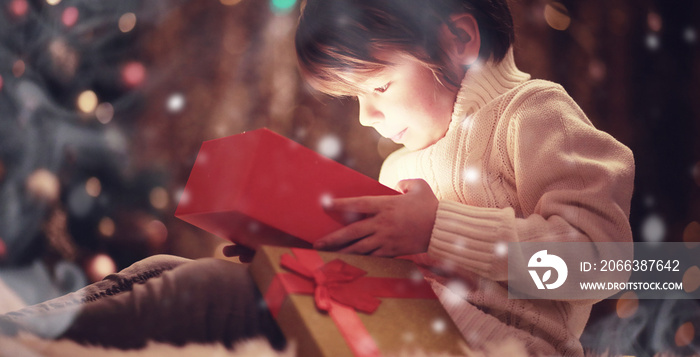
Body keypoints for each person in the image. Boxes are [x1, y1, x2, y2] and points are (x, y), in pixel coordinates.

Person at [1, 0, 634, 355]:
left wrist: (438, 228)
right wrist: (291, 252)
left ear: (458, 43)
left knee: (218, 295)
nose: (368, 113)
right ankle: (23, 328)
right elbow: (403, 279)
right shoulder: (399, 168)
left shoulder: (531, 114)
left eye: (379, 86)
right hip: (394, 331)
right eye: (353, 97)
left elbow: (606, 264)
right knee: (171, 268)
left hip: (494, 351)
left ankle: (37, 342)